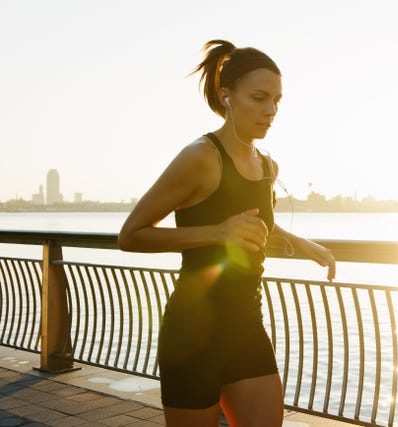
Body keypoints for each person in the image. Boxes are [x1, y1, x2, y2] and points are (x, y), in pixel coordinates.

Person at [118, 39, 336, 427]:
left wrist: (303, 244)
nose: (270, 111)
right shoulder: (201, 157)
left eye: (277, 100)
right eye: (258, 97)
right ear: (227, 96)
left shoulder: (269, 165)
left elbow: (255, 228)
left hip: (246, 325)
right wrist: (218, 233)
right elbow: (131, 235)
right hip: (192, 334)